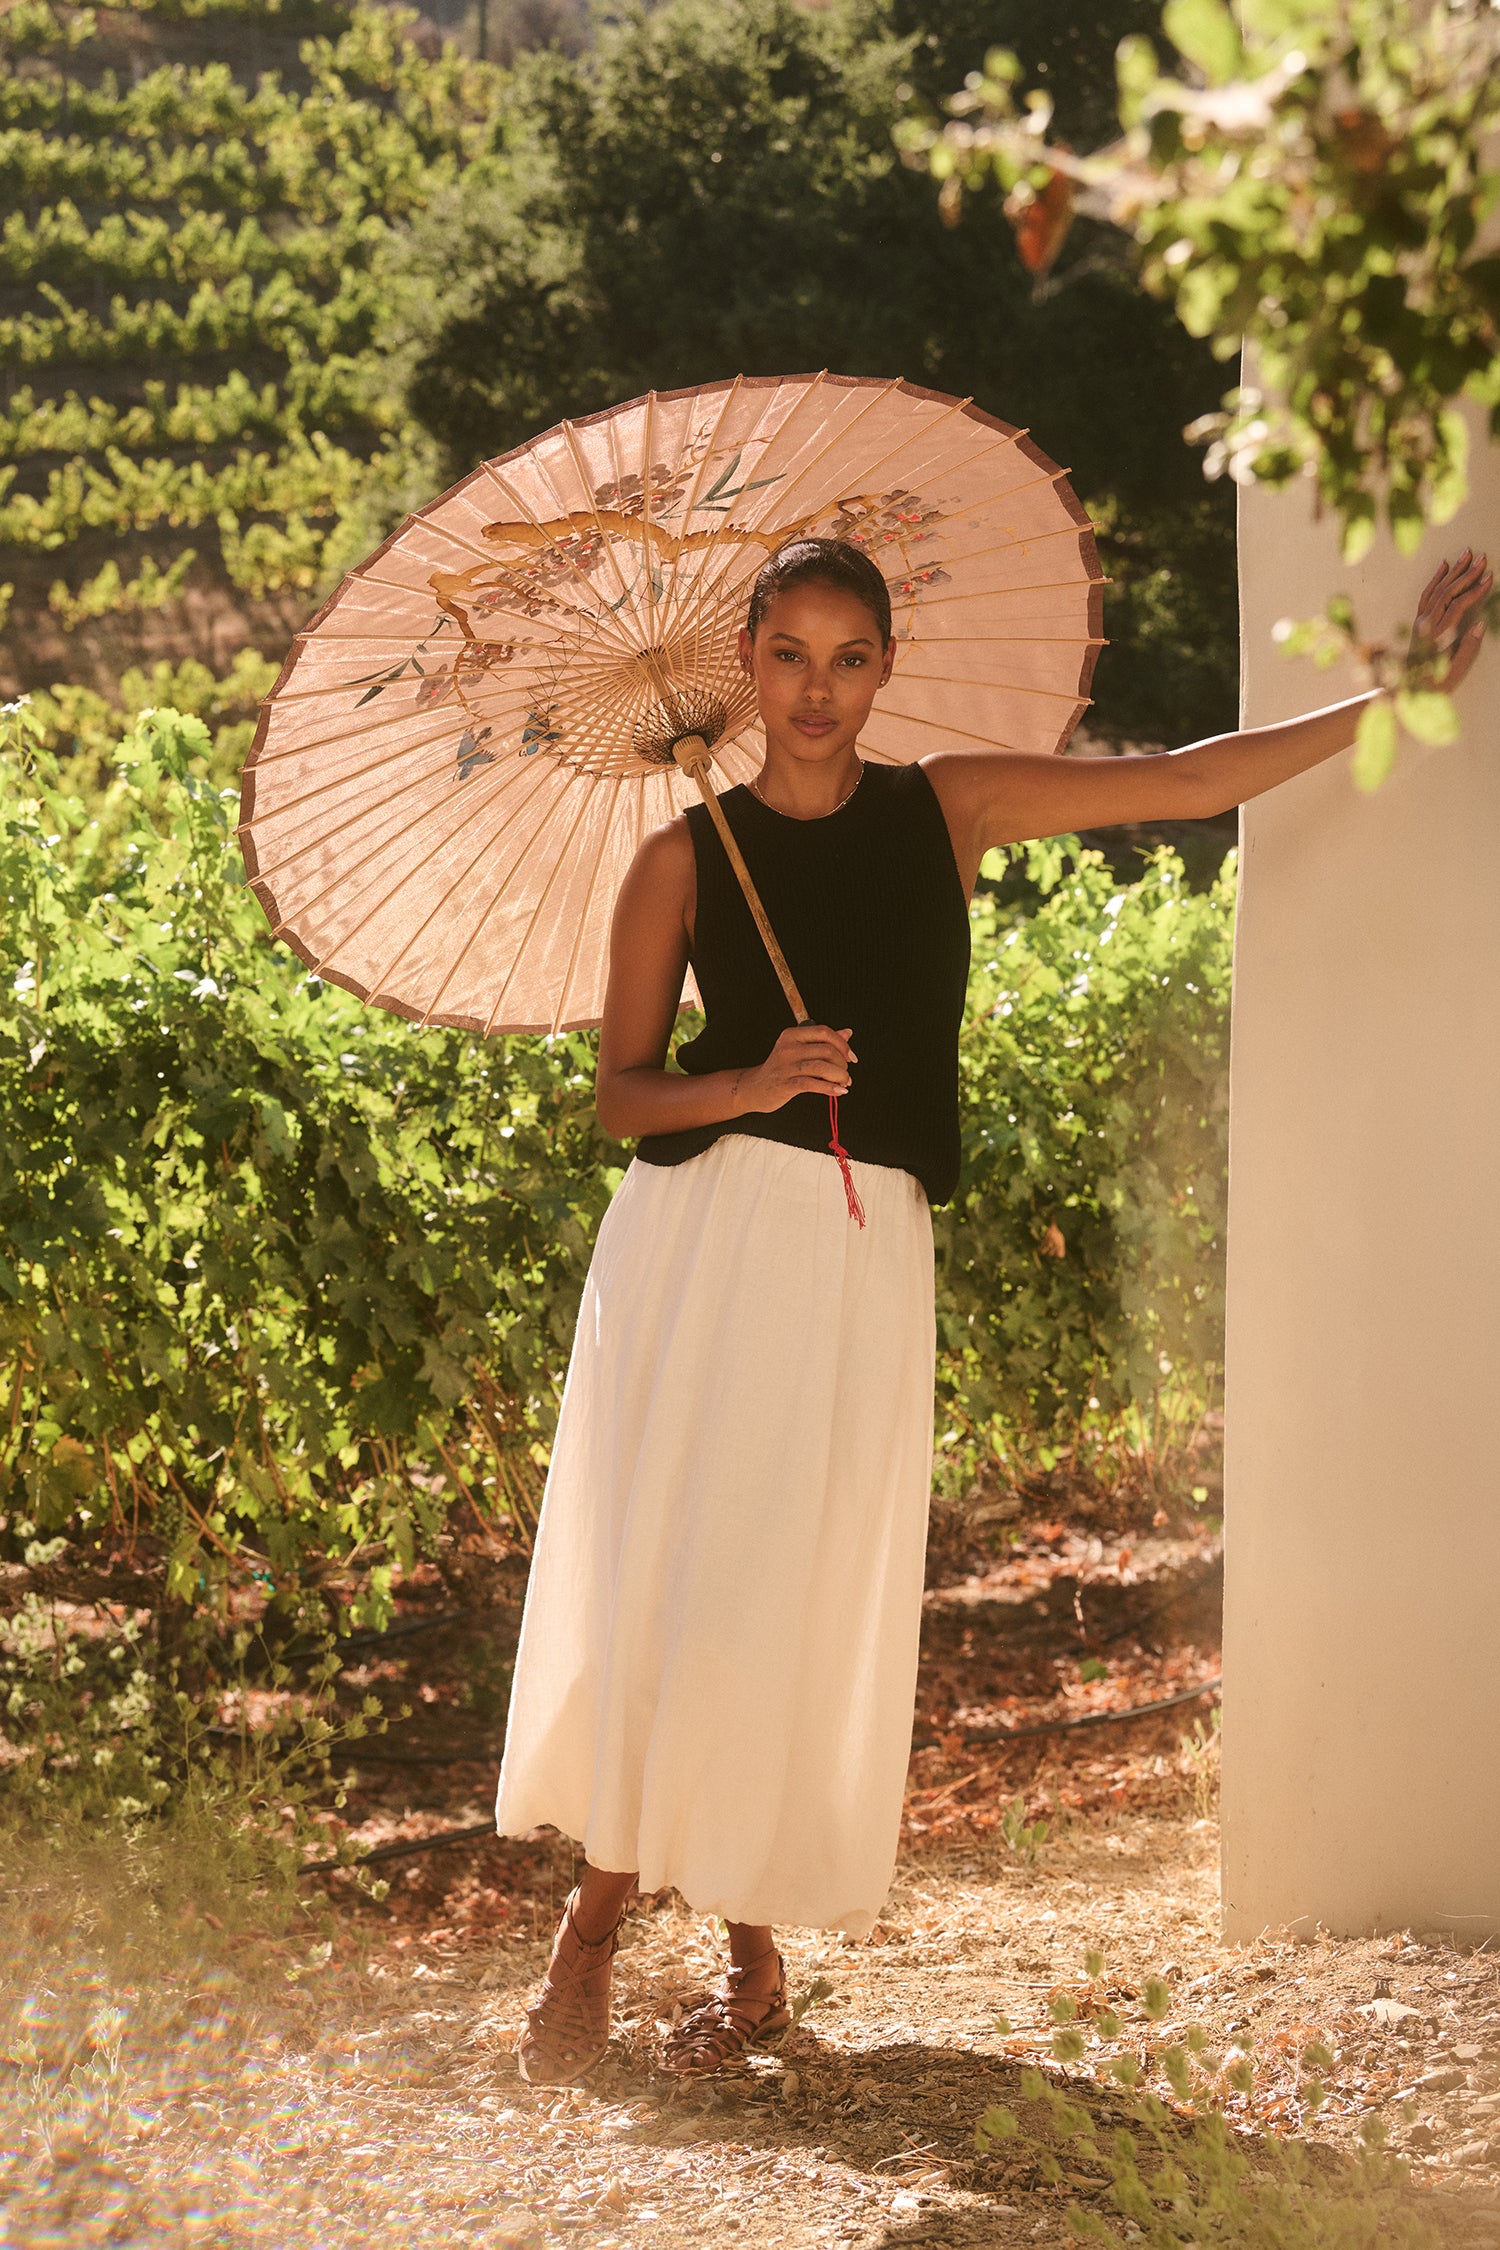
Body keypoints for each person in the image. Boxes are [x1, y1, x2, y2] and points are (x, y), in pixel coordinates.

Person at [495, 535, 1491, 2086]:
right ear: (744, 666)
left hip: (862, 1241)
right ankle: (599, 1930)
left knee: (790, 1584)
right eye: (788, 656)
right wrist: (750, 1079)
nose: (816, 690)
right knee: (691, 1581)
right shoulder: (680, 859)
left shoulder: (945, 808)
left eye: (847, 658)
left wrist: (1400, 690)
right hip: (705, 1246)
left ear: (885, 668)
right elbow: (622, 1096)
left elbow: (1188, 781)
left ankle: (746, 1940)